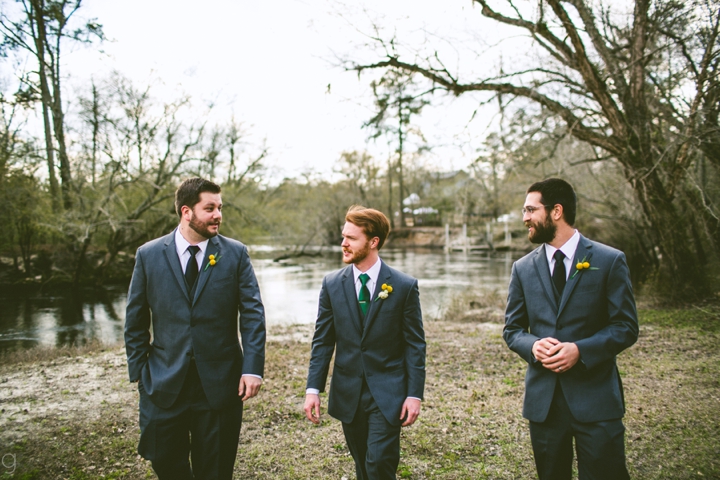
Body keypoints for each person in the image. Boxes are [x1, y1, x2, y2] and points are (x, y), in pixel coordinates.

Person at [124, 177, 266, 480]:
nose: (218, 215)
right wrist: (138, 371)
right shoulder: (148, 255)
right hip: (163, 379)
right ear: (186, 212)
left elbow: (252, 314)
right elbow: (135, 318)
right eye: (210, 208)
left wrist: (252, 368)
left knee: (215, 468)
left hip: (219, 382)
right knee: (163, 459)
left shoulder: (236, 254)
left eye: (220, 208)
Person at [504, 178, 639, 480]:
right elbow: (512, 330)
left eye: (530, 209)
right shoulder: (522, 268)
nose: (524, 217)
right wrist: (533, 346)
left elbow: (626, 326)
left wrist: (580, 350)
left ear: (556, 211)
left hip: (597, 399)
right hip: (545, 405)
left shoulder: (609, 260)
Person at [304, 205, 426, 480]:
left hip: (388, 393)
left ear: (373, 242)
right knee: (362, 465)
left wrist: (414, 394)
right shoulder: (332, 284)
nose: (343, 244)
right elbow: (322, 341)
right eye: (343, 236)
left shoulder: (404, 286)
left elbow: (415, 345)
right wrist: (313, 389)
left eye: (351, 238)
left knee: (379, 464)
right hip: (348, 393)